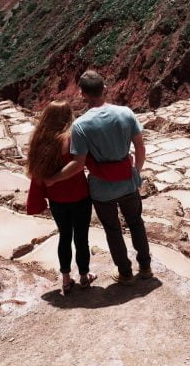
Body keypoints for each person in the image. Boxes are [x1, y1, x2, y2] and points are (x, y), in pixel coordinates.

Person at [45, 70, 151, 284]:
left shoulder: (81, 125)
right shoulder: (126, 113)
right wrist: (136, 172)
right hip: (128, 182)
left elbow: (78, 164)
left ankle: (125, 273)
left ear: (82, 93)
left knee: (113, 230)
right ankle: (146, 267)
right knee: (136, 223)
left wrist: (54, 178)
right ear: (104, 88)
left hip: (102, 188)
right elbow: (140, 147)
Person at [26, 101, 97, 294]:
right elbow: (78, 164)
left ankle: (66, 278)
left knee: (64, 236)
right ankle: (84, 275)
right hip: (80, 195)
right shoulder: (71, 138)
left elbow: (33, 170)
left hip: (56, 199)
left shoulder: (39, 141)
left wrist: (51, 181)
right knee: (81, 237)